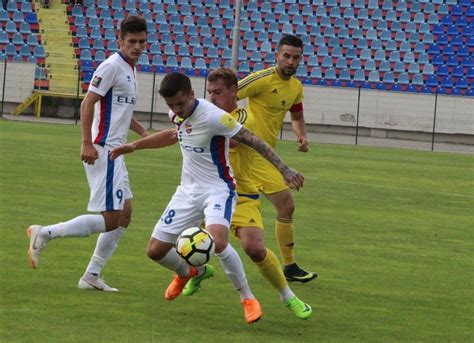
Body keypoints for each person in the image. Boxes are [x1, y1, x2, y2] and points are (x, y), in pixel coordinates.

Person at [110, 72, 304, 324]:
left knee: (219, 242)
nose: (176, 110)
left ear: (192, 94)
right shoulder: (177, 115)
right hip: (187, 191)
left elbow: (254, 141)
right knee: (155, 251)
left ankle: (247, 297)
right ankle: (191, 271)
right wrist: (135, 146)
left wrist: (285, 169)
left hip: (218, 189)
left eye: (180, 103)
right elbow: (173, 135)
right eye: (171, 106)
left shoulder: (215, 117)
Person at [27, 16, 149, 292]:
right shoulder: (112, 66)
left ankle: (91, 276)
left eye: (141, 42)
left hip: (117, 151)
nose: (137, 47)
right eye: (132, 42)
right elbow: (88, 102)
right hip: (103, 150)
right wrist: (87, 142)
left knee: (125, 213)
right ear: (120, 41)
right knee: (111, 219)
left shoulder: (130, 69)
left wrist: (143, 134)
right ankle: (44, 233)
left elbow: (122, 111)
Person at [181, 67, 312, 320]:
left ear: (234, 91)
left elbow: (232, 138)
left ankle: (288, 296)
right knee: (191, 242)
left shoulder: (241, 117)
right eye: (210, 93)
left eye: (218, 92)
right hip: (208, 191)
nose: (212, 98)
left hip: (241, 192)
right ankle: (196, 273)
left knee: (254, 248)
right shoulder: (205, 114)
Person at [236, 34, 317, 283]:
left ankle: (290, 267)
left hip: (267, 153)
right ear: (277, 56)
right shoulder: (261, 79)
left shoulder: (295, 87)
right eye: (287, 56)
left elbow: (296, 116)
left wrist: (301, 135)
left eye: (296, 58)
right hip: (251, 153)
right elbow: (227, 95)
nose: (291, 61)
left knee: (230, 208)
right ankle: (290, 266)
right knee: (286, 205)